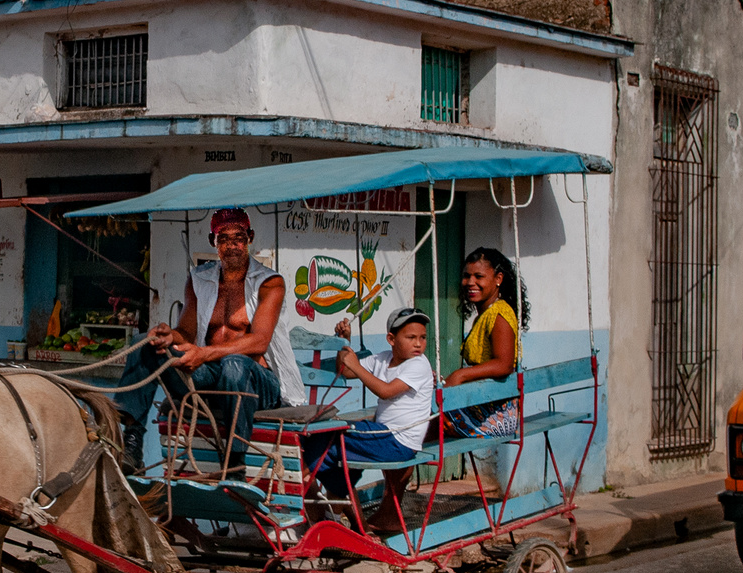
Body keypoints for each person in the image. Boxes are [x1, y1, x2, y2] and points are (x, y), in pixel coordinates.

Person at [112, 208, 304, 473]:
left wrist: (202, 354)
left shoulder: (270, 283)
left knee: (234, 364)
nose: (232, 245)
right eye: (223, 238)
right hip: (210, 377)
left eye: (239, 237)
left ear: (250, 238)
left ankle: (235, 462)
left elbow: (259, 342)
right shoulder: (199, 279)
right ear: (214, 242)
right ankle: (132, 441)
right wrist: (170, 336)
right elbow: (187, 333)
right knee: (147, 342)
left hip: (258, 382)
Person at [301, 308, 435, 532]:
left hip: (397, 441)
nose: (418, 344)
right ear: (391, 339)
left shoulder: (418, 364)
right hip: (382, 435)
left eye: (422, 338)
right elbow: (346, 371)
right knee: (327, 443)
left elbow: (386, 391)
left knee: (329, 440)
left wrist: (355, 364)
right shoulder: (384, 359)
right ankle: (337, 507)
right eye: (411, 338)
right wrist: (345, 344)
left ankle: (340, 513)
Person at [444, 247, 527, 439]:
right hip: (482, 401)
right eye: (467, 276)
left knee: (418, 426)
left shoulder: (499, 314)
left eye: (478, 276)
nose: (470, 282)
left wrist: (461, 375)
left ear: (498, 279)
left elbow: (504, 364)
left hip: (496, 415)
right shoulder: (485, 314)